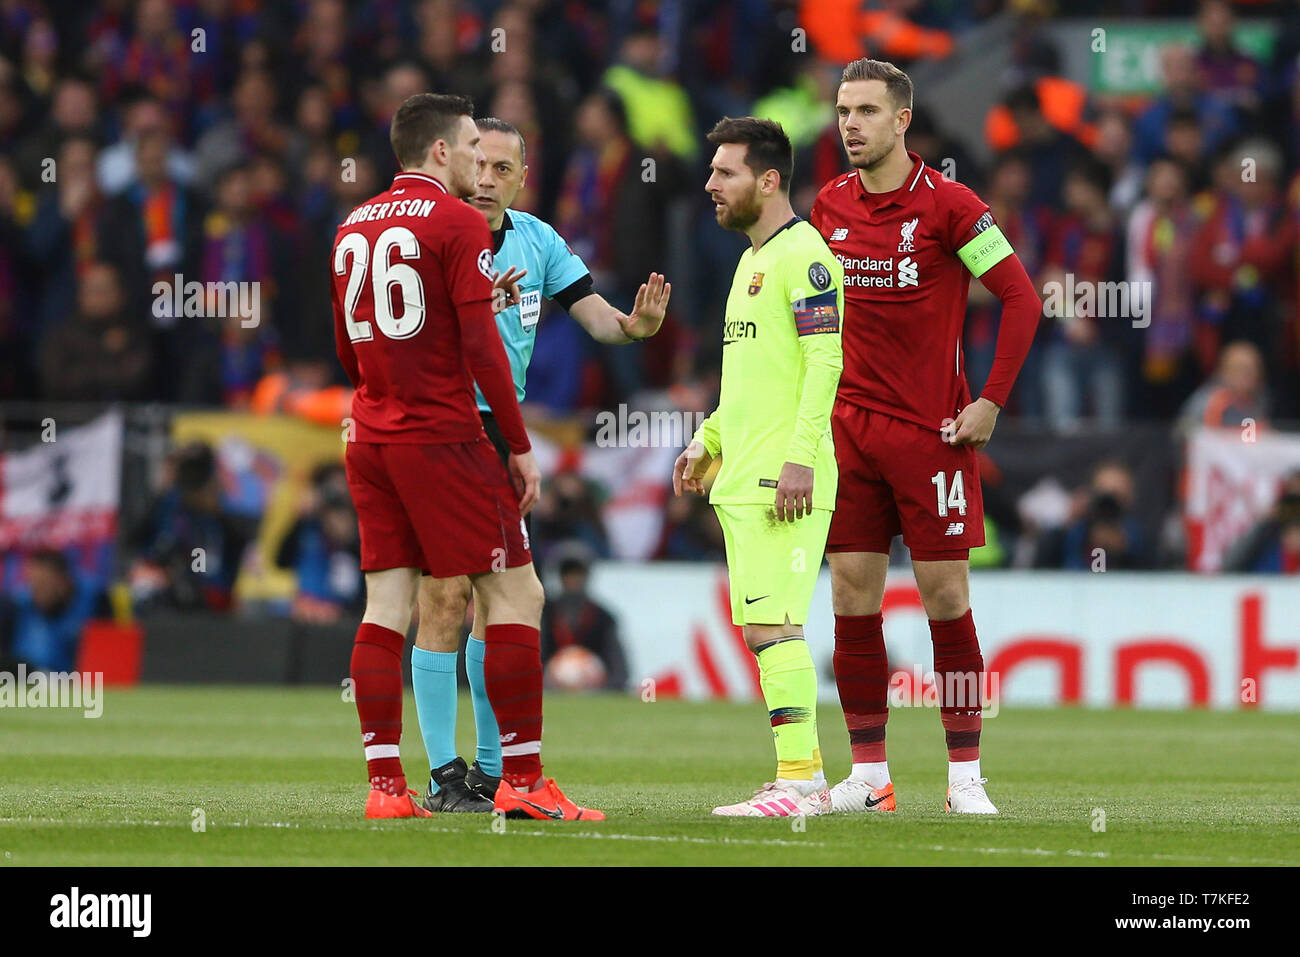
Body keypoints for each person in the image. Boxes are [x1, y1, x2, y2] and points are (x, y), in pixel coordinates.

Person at [332, 92, 600, 821]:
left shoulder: (353, 224)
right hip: (447, 438)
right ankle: (522, 778)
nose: (477, 169)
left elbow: (348, 342)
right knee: (519, 596)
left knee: (387, 604)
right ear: (443, 150)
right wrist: (518, 445)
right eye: (469, 150)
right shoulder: (454, 222)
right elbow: (483, 351)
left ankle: (387, 790)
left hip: (373, 433)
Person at [407, 116, 668, 814]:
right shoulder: (433, 236)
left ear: (523, 178)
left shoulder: (539, 240)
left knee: (500, 608)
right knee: (448, 599)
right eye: (479, 164)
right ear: (458, 165)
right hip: (440, 428)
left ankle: (493, 774)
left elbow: (597, 317)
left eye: (503, 169)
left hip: (499, 432)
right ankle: (444, 775)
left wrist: (634, 328)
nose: (488, 179)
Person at [811, 59, 1042, 815]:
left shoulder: (948, 206)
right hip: (848, 430)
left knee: (946, 598)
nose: (851, 124)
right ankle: (870, 775)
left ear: (902, 120)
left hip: (931, 434)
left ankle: (966, 776)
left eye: (867, 111)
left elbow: (1021, 299)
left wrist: (990, 402)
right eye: (844, 110)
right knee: (852, 597)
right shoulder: (829, 205)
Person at [674, 116, 844, 817]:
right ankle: (801, 777)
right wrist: (707, 438)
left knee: (776, 626)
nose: (711, 184)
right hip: (744, 475)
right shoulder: (750, 261)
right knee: (762, 629)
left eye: (726, 172)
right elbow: (752, 377)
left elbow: (824, 360)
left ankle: (800, 781)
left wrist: (800, 459)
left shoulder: (806, 256)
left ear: (768, 180)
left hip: (786, 478)